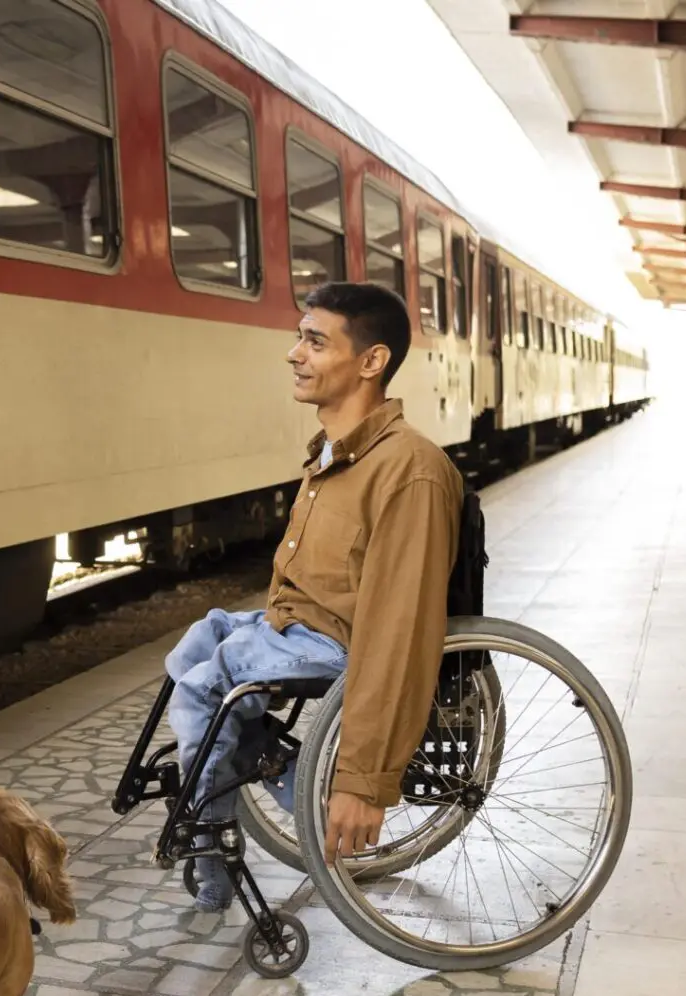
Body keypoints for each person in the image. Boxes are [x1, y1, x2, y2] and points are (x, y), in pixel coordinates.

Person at [168, 282, 464, 912]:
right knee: (196, 647)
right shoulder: (337, 453)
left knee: (206, 688)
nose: (293, 353)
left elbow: (398, 634)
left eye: (314, 340)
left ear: (371, 361)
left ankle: (214, 834)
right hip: (297, 624)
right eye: (299, 337)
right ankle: (277, 764)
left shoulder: (409, 470)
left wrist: (364, 781)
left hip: (336, 643)